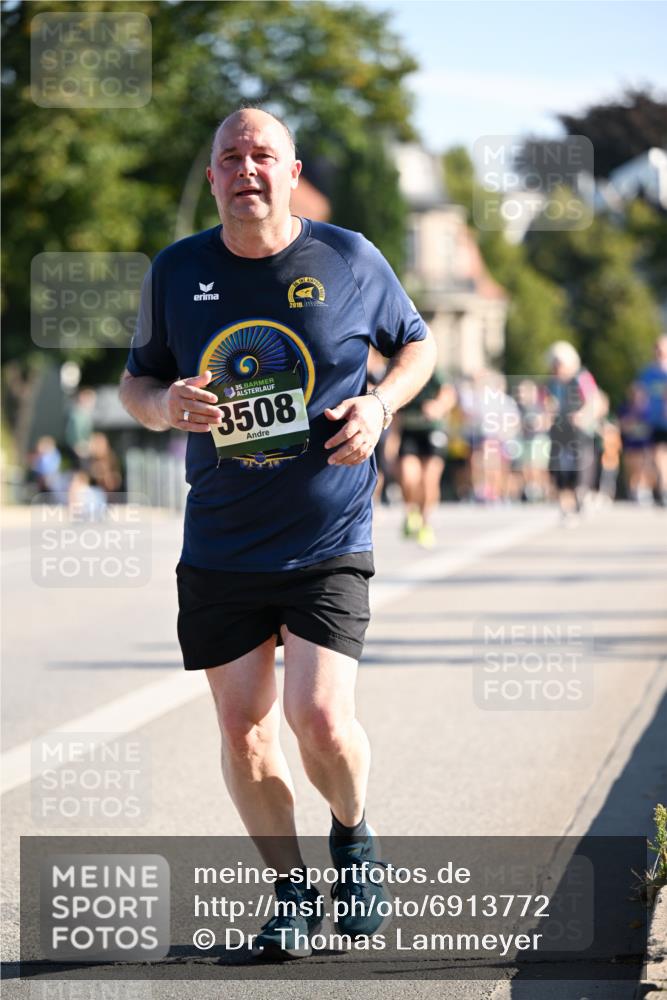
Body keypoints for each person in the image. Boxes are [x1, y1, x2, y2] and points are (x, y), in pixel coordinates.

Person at [119, 107, 436, 959]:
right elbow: (136, 382)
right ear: (215, 177)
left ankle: (354, 835)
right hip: (220, 542)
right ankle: (289, 891)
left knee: (321, 719)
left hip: (325, 532)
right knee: (242, 731)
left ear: (292, 173)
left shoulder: (349, 258)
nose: (246, 168)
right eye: (231, 157)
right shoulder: (177, 271)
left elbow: (417, 346)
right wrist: (162, 408)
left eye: (264, 155)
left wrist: (379, 403)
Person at [544, 342, 599, 524]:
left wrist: (582, 415)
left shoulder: (581, 377)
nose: (557, 368)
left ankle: (580, 497)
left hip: (579, 432)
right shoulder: (552, 383)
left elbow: (594, 400)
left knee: (580, 468)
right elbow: (547, 404)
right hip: (559, 431)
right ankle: (565, 507)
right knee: (560, 470)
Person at [397, 369, 454, 547]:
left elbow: (449, 393)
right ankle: (411, 510)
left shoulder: (429, 367)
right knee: (408, 477)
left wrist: (439, 406)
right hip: (409, 432)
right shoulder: (399, 368)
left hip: (432, 430)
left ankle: (425, 523)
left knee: (429, 479)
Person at [636, 335, 667, 506]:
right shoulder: (648, 372)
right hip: (655, 421)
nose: (659, 351)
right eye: (657, 347)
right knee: (657, 456)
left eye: (663, 347)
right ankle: (662, 490)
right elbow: (640, 394)